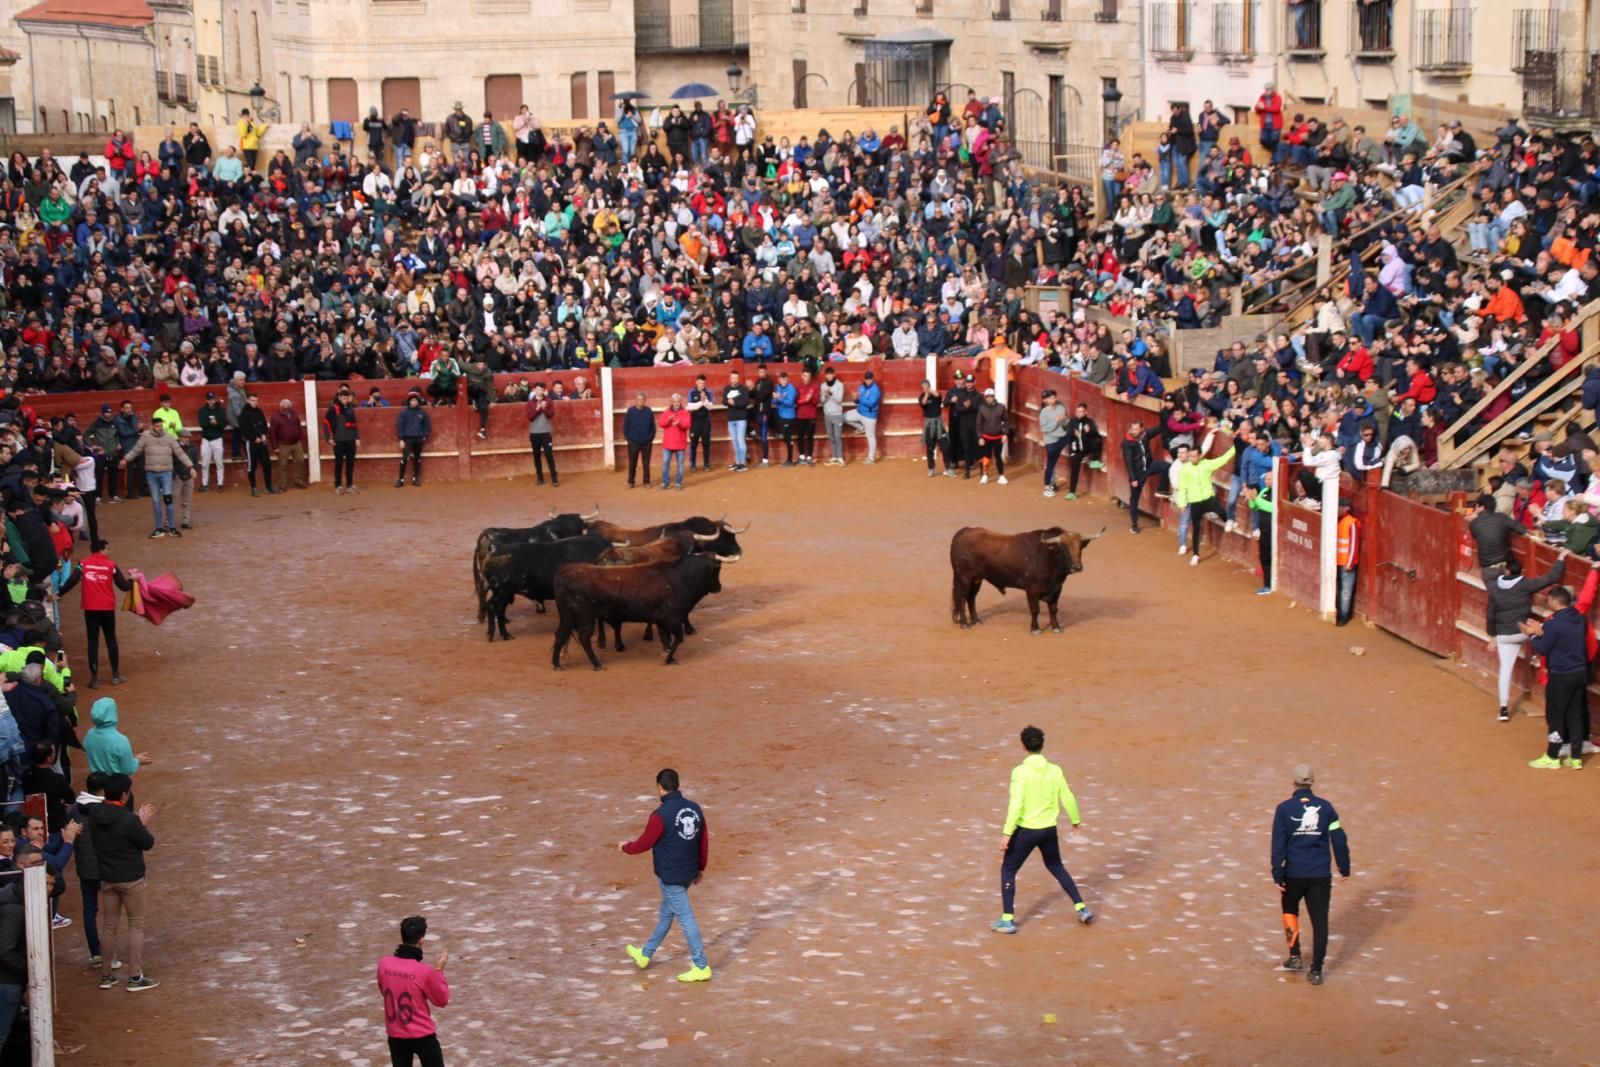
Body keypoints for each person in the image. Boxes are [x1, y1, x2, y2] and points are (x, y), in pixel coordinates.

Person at [991, 725, 1094, 935]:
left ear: (1023, 745)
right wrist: (1075, 820)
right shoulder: (1055, 770)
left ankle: (1007, 920)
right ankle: (1081, 908)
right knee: (1056, 866)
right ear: (1042, 744)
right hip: (1048, 830)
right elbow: (1068, 797)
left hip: (1026, 831)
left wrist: (1006, 834)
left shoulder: (1020, 772)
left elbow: (1016, 804)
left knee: (1008, 869)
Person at [619, 768, 711, 982]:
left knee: (686, 918)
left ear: (660, 787)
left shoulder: (659, 816)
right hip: (688, 872)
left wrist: (625, 847)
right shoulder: (695, 808)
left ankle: (701, 965)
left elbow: (644, 843)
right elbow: (703, 841)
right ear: (677, 785)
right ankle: (645, 954)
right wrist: (700, 868)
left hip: (671, 876)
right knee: (667, 913)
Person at [1271, 764, 1351, 986]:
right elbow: (1338, 838)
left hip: (1293, 874)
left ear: (1293, 782)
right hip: (1320, 875)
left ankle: (1295, 957)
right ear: (1312, 782)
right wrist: (1344, 868)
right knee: (1320, 922)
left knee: (1289, 911)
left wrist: (1278, 873)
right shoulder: (1326, 808)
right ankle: (1316, 971)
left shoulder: (1284, 809)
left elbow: (1278, 844)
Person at [87, 773, 158, 990]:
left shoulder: (95, 813)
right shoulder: (129, 820)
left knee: (109, 927)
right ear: (125, 794)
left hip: (107, 879)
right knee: (135, 925)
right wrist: (141, 823)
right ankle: (135, 977)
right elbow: (147, 843)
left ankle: (107, 976)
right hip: (131, 880)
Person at [1485, 555, 1564, 722]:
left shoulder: (1495, 589)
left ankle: (1504, 709)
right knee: (1544, 631)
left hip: (1504, 636)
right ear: (1521, 572)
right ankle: (1538, 658)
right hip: (1524, 633)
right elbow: (1552, 577)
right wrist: (1561, 558)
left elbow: (1490, 615)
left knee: (1505, 670)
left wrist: (1493, 637)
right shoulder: (1525, 585)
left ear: (1506, 571)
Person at [1524, 582, 1589, 769]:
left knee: (1556, 716)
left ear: (1554, 601)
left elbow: (1543, 649)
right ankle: (1575, 758)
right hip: (1579, 673)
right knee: (1575, 714)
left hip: (1561, 676)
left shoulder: (1554, 623)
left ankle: (1552, 756)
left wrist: (1533, 635)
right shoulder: (1579, 618)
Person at [376, 915, 451, 1067]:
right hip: (423, 1036)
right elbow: (441, 1000)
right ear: (422, 940)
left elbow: (384, 990)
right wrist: (439, 970)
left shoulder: (383, 964)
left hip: (396, 1036)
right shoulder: (424, 971)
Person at [58, 539, 131, 688]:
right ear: (102, 549)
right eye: (107, 549)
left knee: (93, 642)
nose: (108, 552)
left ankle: (94, 679)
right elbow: (124, 586)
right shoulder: (111, 565)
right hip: (107, 609)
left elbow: (72, 581)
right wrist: (134, 580)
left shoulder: (83, 563)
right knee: (111, 640)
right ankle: (115, 675)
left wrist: (60, 593)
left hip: (90, 609)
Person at [119, 421, 194, 539]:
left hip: (166, 473)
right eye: (157, 426)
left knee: (168, 499)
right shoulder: (145, 437)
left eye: (161, 426)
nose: (159, 428)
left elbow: (180, 453)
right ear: (152, 426)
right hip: (152, 474)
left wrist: (190, 466)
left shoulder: (169, 437)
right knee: (155, 501)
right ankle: (159, 528)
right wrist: (125, 459)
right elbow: (136, 450)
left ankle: (172, 527)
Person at [68, 771, 108, 968]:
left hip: (85, 869)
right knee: (112, 912)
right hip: (105, 867)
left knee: (89, 911)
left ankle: (96, 953)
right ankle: (109, 954)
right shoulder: (105, 810)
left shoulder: (74, 810)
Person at [1180, 430, 1235, 565]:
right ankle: (1195, 555)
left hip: (1208, 498)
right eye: (1190, 456)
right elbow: (1182, 487)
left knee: (1222, 512)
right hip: (1195, 501)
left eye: (1194, 456)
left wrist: (1235, 447)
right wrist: (1182, 503)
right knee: (1197, 528)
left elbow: (1223, 459)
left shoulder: (1206, 464)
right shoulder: (1186, 469)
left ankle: (1229, 522)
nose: (1192, 458)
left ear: (1199, 456)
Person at [82, 698, 150, 781]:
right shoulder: (121, 740)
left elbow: (86, 748)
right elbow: (127, 770)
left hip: (97, 783)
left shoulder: (89, 735)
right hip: (115, 787)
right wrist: (137, 760)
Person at [324, 386, 361, 495]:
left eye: (347, 398)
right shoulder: (333, 409)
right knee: (339, 463)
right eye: (344, 398)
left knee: (350, 463)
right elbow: (326, 423)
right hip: (339, 440)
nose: (346, 400)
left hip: (350, 440)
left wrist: (357, 437)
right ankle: (338, 485)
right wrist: (328, 438)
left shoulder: (350, 409)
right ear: (339, 397)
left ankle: (349, 485)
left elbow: (354, 425)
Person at [237, 394, 276, 497]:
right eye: (252, 400)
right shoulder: (243, 414)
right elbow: (243, 429)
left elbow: (264, 425)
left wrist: (264, 434)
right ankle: (253, 488)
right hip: (250, 443)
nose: (254, 402)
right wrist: (254, 438)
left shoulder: (259, 411)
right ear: (248, 401)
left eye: (256, 400)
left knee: (267, 464)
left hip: (261, 442)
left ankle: (268, 487)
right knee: (252, 466)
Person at [1469, 493, 1522, 567]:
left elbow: (1475, 536)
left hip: (1486, 568)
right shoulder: (1502, 517)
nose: (1475, 508)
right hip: (1504, 565)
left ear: (1481, 507)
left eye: (1476, 506)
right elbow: (1521, 529)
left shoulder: (1474, 523)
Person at [1064, 403, 1104, 500]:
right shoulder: (1072, 422)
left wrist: (1089, 431)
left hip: (1086, 448)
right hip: (1076, 450)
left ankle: (1094, 460)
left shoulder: (1090, 421)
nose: (1079, 414)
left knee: (1097, 440)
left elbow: (1097, 435)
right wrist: (1075, 435)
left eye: (1081, 411)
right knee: (1074, 471)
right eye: (1078, 411)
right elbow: (1068, 435)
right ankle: (1072, 492)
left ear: (1086, 412)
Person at [270, 399, 308, 490]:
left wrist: (299, 439)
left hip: (296, 443)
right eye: (285, 408)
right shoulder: (275, 417)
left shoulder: (294, 413)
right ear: (281, 407)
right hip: (283, 444)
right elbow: (272, 433)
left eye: (288, 408)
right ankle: (282, 484)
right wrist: (275, 447)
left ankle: (298, 480)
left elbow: (298, 426)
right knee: (282, 464)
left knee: (300, 460)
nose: (286, 410)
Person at [525, 384, 558, 487]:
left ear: (544, 390)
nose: (539, 391)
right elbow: (530, 417)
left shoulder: (548, 401)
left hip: (545, 432)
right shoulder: (530, 403)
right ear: (535, 390)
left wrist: (544, 408)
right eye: (538, 389)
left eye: (541, 389)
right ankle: (540, 478)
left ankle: (554, 478)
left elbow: (551, 415)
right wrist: (538, 408)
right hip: (534, 433)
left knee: (549, 455)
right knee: (536, 456)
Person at [395, 392, 431, 488]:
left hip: (419, 438)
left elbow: (426, 425)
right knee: (404, 459)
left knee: (417, 458)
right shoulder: (404, 413)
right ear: (409, 401)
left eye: (415, 400)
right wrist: (401, 439)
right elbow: (400, 426)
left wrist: (424, 435)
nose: (413, 402)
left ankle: (415, 478)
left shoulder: (422, 413)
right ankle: (401, 479)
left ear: (418, 401)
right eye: (412, 400)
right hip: (407, 439)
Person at [1245, 482, 1274, 595]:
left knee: (1271, 558)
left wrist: (1256, 498)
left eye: (1269, 478)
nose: (1266, 481)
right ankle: (1267, 585)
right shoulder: (1264, 491)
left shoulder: (1277, 493)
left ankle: (1271, 584)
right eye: (1266, 478)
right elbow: (1254, 507)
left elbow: (1272, 507)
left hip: (1273, 532)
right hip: (1264, 531)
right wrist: (1252, 499)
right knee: (1264, 557)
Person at [976, 388, 1008, 485]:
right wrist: (980, 437)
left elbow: (1006, 421)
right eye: (987, 397)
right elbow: (979, 424)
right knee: (986, 457)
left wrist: (1005, 434)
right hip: (986, 437)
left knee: (998, 457)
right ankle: (984, 475)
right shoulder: (982, 409)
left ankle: (1001, 475)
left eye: (991, 396)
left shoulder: (1001, 407)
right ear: (985, 398)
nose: (989, 398)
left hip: (998, 437)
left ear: (994, 397)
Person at [1335, 500, 1360, 625]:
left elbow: (1354, 544)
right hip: (1337, 562)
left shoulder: (1352, 522)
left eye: (1339, 507)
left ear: (1346, 508)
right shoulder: (1339, 521)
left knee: (1345, 590)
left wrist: (1350, 563)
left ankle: (1343, 616)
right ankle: (1341, 613)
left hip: (1346, 563)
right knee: (1341, 589)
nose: (1337, 509)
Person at [918, 380, 950, 478]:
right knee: (930, 449)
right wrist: (926, 393)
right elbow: (923, 403)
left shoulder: (936, 395)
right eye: (923, 386)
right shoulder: (921, 397)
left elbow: (937, 396)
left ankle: (948, 468)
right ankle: (931, 469)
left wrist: (929, 390)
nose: (925, 387)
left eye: (926, 385)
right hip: (928, 425)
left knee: (945, 447)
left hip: (938, 424)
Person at [196, 390, 227, 492]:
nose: (211, 401)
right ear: (206, 400)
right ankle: (204, 484)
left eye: (213, 399)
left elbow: (223, 424)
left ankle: (220, 483)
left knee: (219, 463)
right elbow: (202, 424)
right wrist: (211, 423)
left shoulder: (220, 410)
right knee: (205, 463)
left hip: (217, 439)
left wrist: (216, 423)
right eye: (209, 399)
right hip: (206, 440)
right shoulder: (202, 410)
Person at [658, 394, 690, 490]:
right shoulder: (667, 412)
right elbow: (661, 423)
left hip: (680, 444)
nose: (676, 403)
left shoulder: (685, 412)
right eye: (674, 401)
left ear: (680, 402)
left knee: (680, 465)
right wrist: (668, 421)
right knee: (665, 463)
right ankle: (665, 482)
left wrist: (679, 423)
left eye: (678, 401)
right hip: (668, 443)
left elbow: (687, 425)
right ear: (672, 402)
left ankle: (678, 483)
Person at [686, 375, 714, 473]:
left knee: (706, 444)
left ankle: (706, 463)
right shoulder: (691, 392)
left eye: (703, 383)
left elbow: (710, 407)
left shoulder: (709, 392)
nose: (702, 385)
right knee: (693, 444)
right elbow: (690, 407)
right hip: (694, 422)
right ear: (696, 382)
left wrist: (705, 400)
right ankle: (692, 464)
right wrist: (702, 402)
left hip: (706, 422)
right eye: (700, 383)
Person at [722, 371, 750, 472]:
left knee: (741, 440)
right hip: (731, 418)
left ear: (738, 379)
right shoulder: (727, 388)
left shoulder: (743, 389)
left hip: (741, 418)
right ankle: (737, 462)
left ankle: (743, 463)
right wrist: (730, 402)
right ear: (730, 378)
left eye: (736, 378)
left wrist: (734, 403)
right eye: (733, 378)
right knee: (735, 441)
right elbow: (724, 401)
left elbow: (745, 402)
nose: (734, 380)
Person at [819, 366, 847, 465]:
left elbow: (839, 399)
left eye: (831, 374)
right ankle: (835, 456)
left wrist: (831, 393)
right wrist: (825, 396)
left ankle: (840, 457)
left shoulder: (840, 385)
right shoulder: (823, 386)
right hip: (827, 414)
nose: (829, 376)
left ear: (834, 374)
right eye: (827, 374)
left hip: (837, 414)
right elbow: (821, 401)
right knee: (831, 436)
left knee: (837, 436)